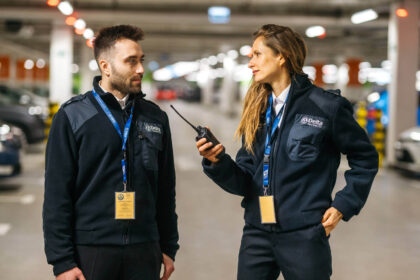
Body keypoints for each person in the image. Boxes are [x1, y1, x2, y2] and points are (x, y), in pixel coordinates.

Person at [196, 24, 378, 280]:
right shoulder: (257, 111)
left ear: (281, 56)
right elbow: (245, 180)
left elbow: (366, 159)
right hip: (257, 232)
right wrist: (217, 161)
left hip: (305, 235)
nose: (250, 63)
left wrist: (343, 205)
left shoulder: (326, 107)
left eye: (257, 55)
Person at [43, 25, 179, 280]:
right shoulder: (73, 116)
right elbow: (56, 194)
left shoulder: (155, 117)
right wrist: (62, 261)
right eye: (131, 61)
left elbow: (165, 188)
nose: (140, 69)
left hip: (144, 248)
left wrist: (168, 246)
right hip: (92, 250)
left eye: (141, 61)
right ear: (105, 66)